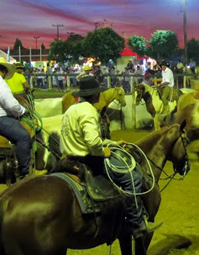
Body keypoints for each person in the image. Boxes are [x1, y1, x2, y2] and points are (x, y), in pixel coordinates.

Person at [61, 77, 161, 239]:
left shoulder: (72, 110)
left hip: (70, 156)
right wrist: (104, 151)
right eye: (98, 93)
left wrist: (112, 143)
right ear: (94, 95)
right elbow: (93, 142)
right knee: (132, 178)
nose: (100, 96)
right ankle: (137, 224)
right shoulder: (89, 111)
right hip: (89, 159)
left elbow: (82, 138)